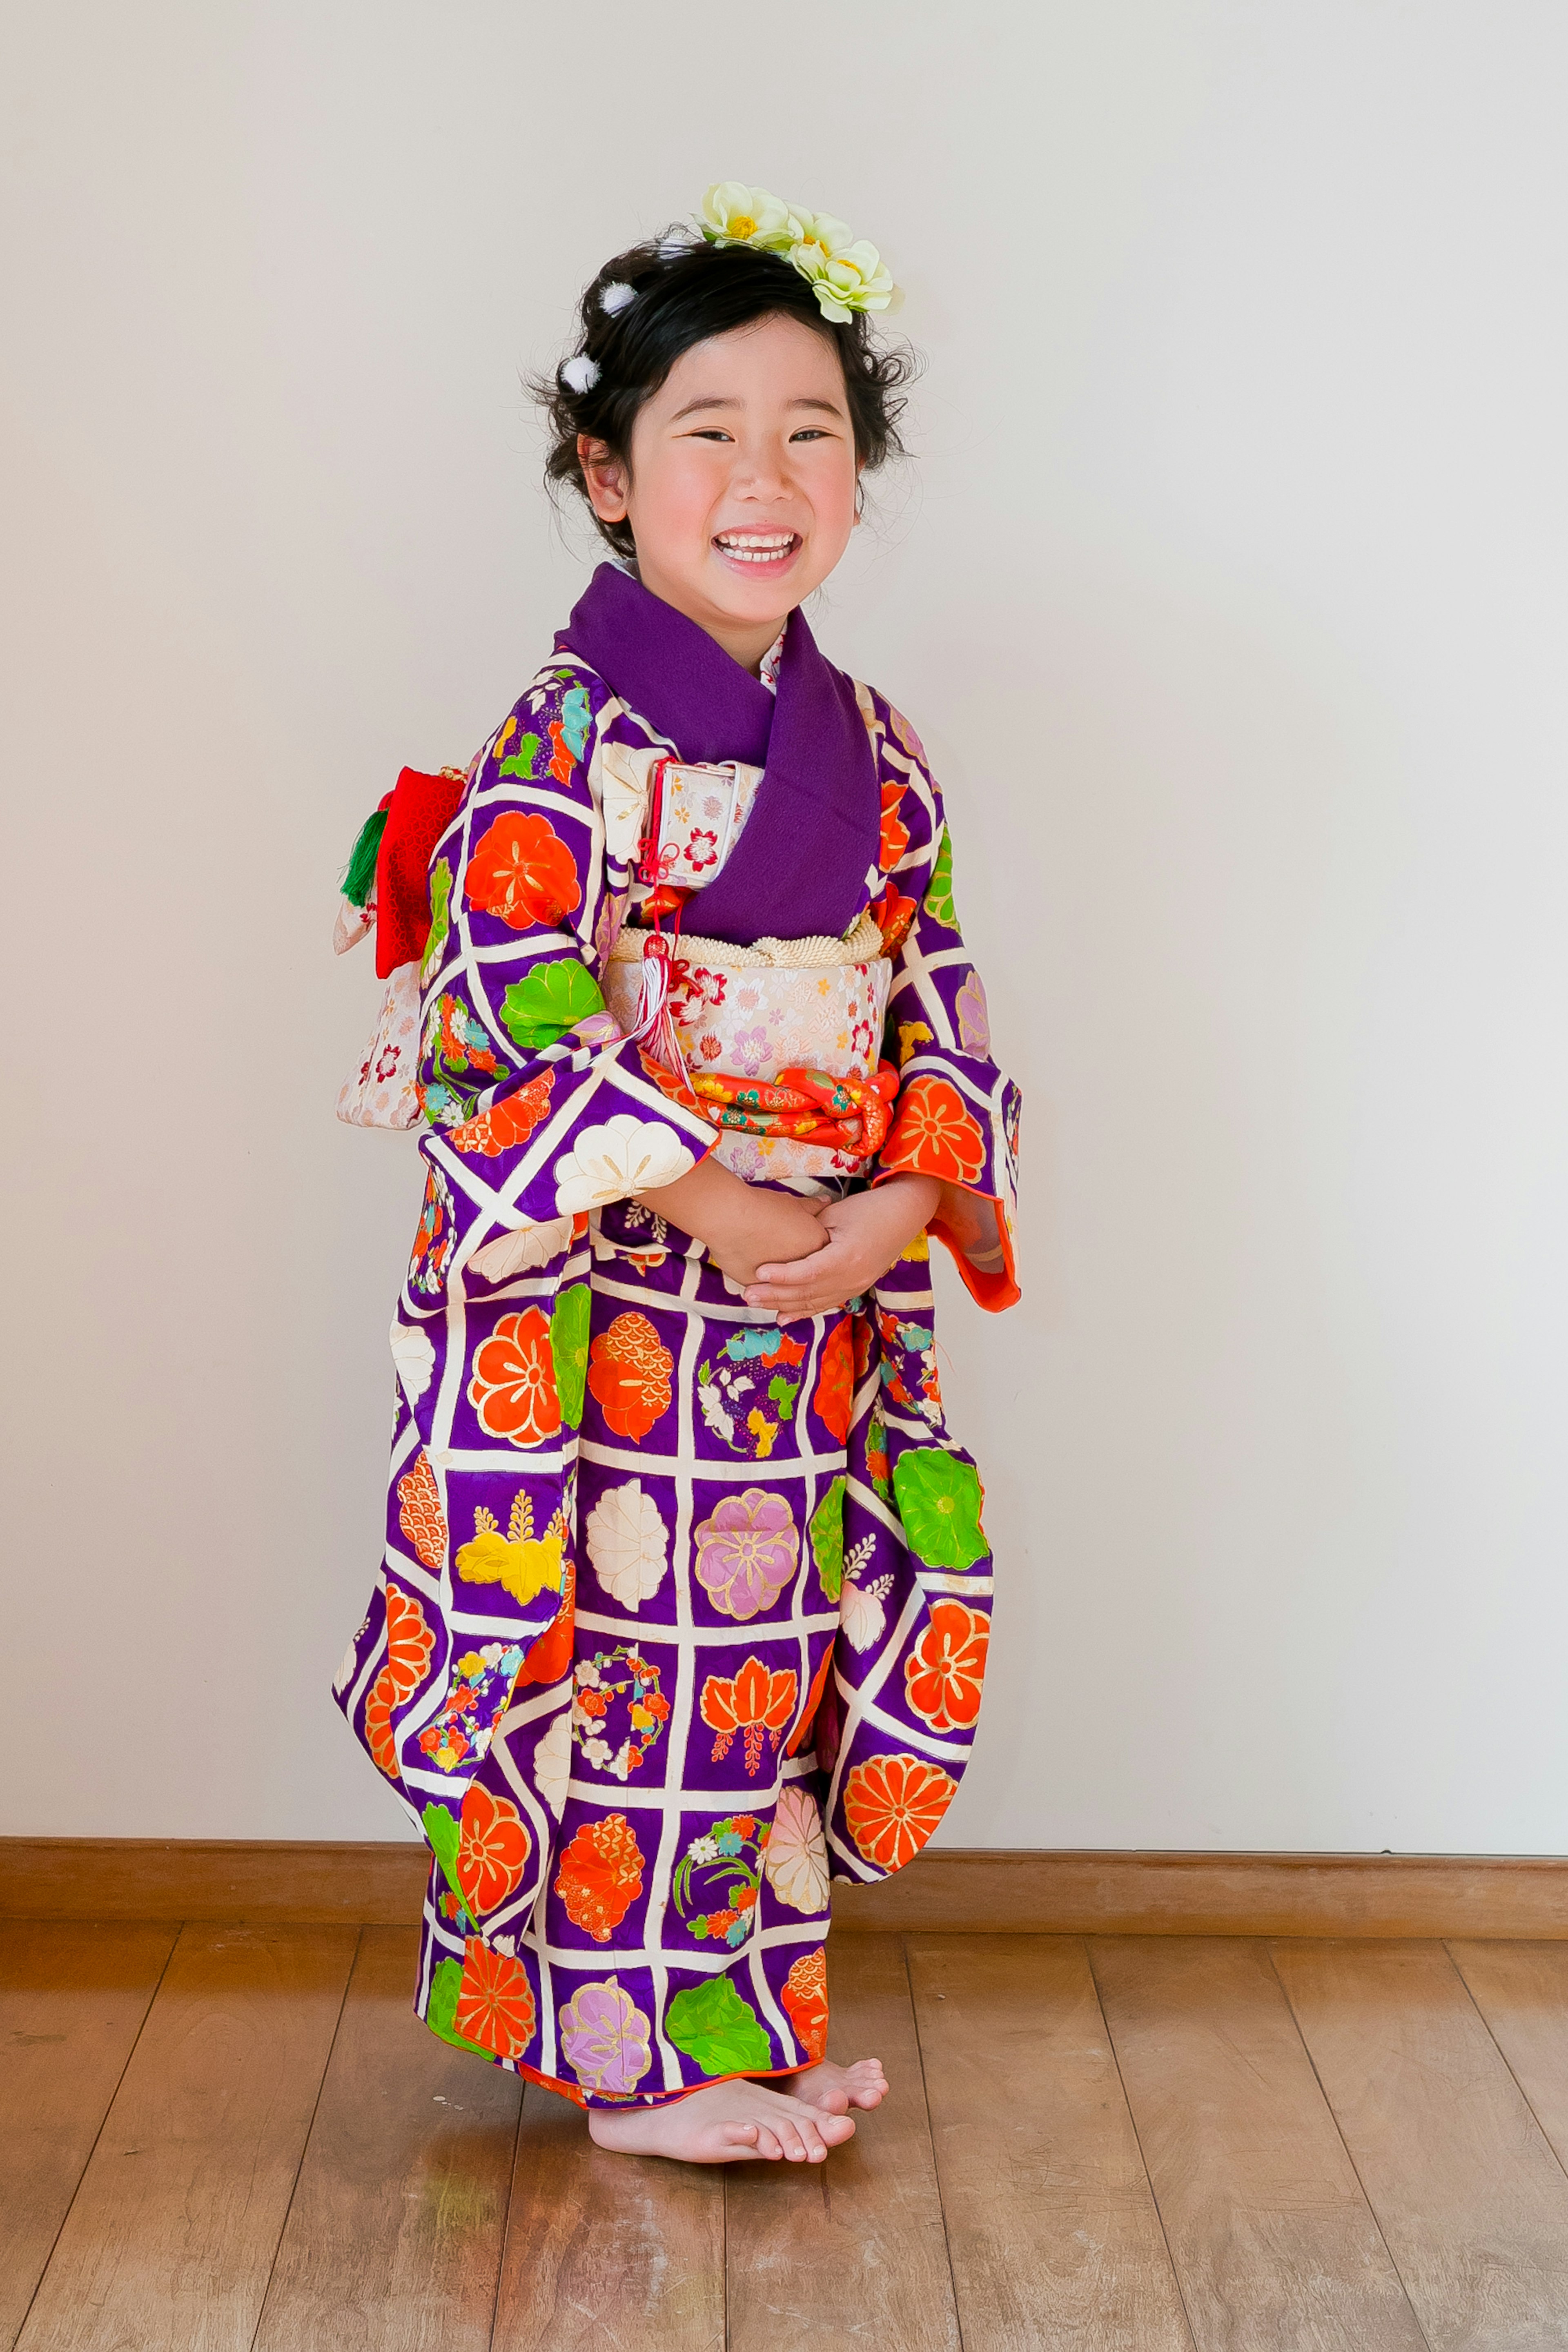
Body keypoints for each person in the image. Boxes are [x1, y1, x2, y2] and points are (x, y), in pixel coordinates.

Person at [332, 183, 1021, 2166]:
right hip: (616, 1297)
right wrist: (718, 1203)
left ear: (860, 476)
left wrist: (904, 1199)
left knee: (770, 1667)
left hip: (817, 1300)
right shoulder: (558, 742)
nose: (764, 474)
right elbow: (511, 1021)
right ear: (607, 472)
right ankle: (629, 2075)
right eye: (706, 429)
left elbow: (935, 1006)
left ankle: (739, 2020)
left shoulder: (876, 750)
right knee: (634, 1659)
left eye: (812, 429)